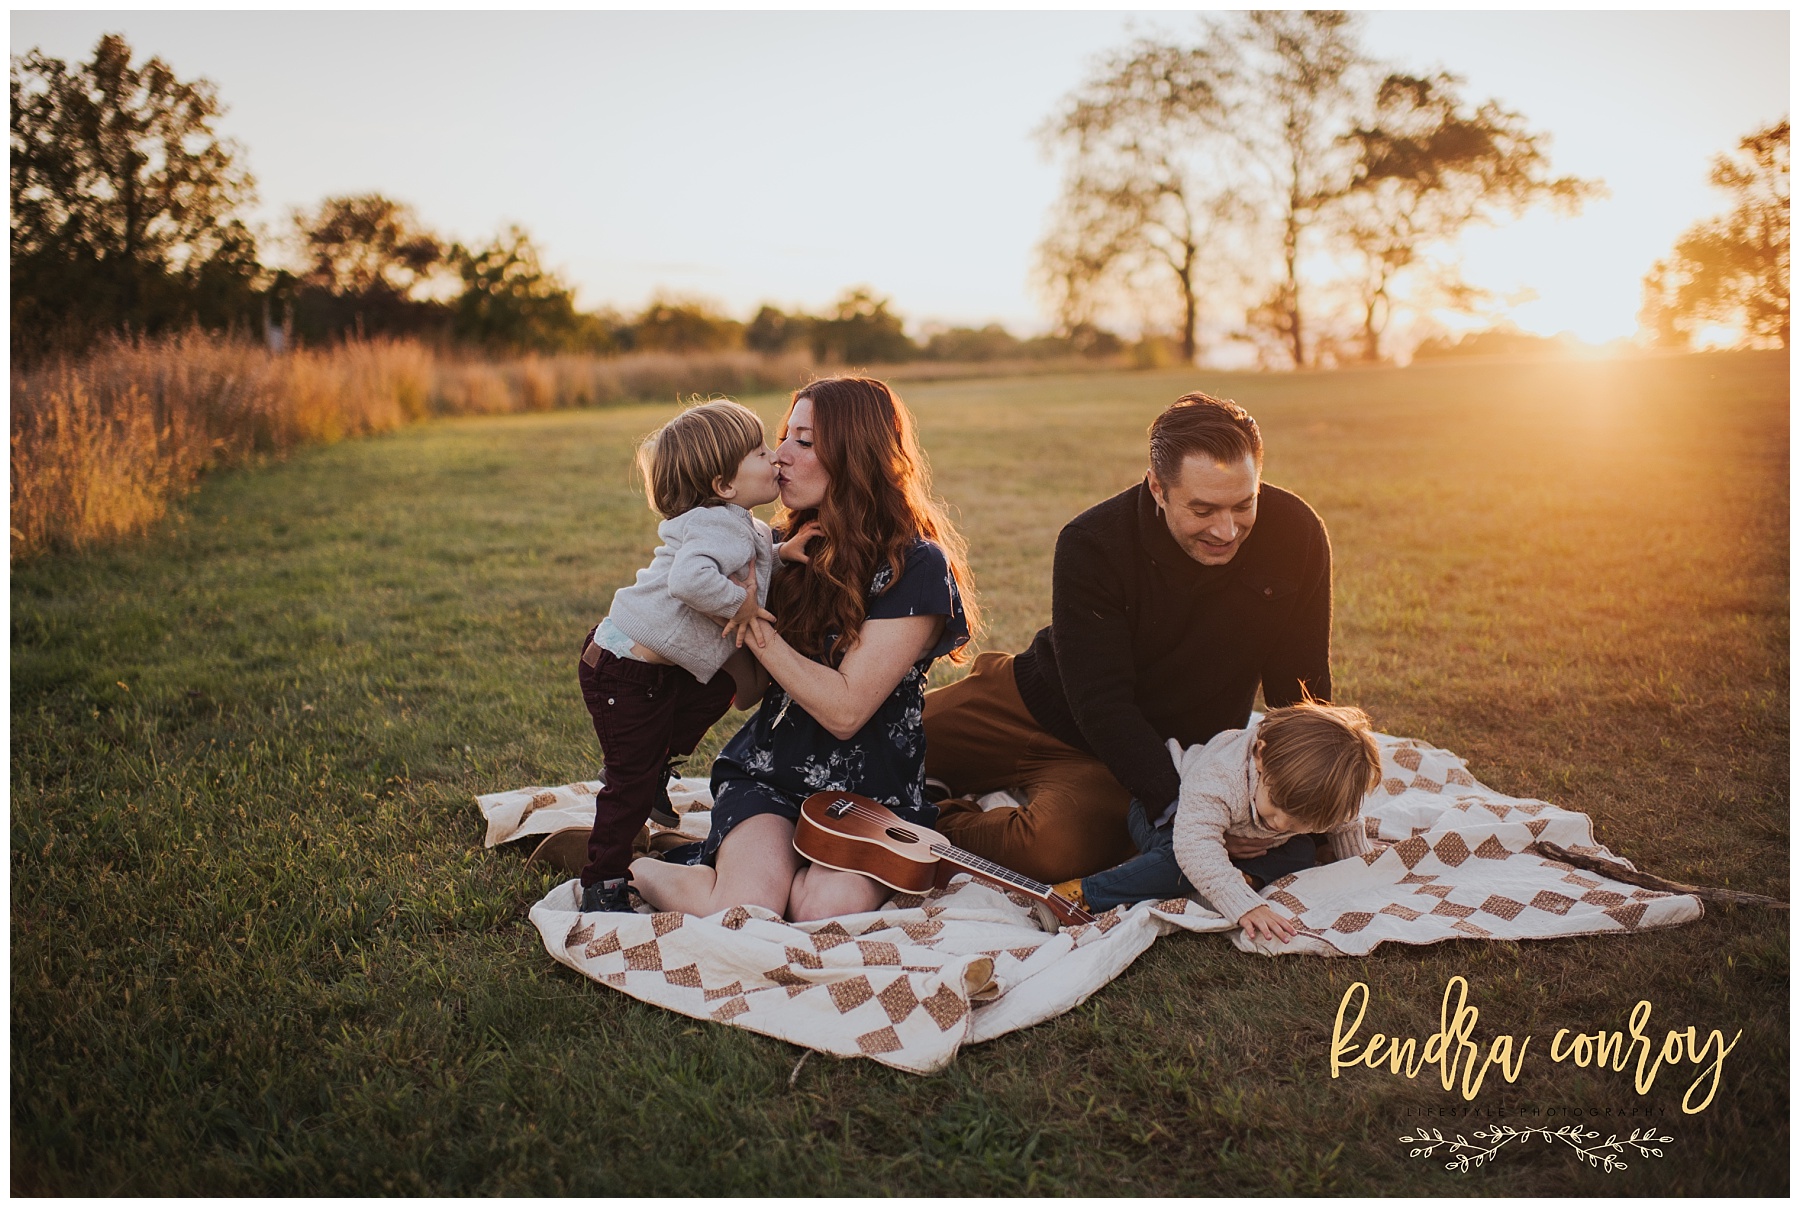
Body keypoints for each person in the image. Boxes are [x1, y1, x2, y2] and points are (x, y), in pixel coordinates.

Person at [922, 391, 1333, 885]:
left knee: (1052, 849)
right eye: (1202, 510)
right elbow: (1099, 696)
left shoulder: (1297, 535)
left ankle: (925, 816)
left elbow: (1302, 685)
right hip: (1030, 699)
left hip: (1139, 755)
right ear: (1157, 487)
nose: (1227, 530)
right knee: (877, 740)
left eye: (1244, 504)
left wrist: (1297, 802)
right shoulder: (1093, 541)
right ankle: (929, 774)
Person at [628, 377, 978, 923]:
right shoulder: (779, 549)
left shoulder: (916, 566)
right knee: (747, 909)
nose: (781, 457)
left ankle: (691, 858)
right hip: (769, 771)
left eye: (805, 442)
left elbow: (845, 711)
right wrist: (713, 616)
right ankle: (636, 863)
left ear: (854, 455)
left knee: (820, 911)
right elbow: (750, 695)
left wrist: (752, 622)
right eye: (782, 438)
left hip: (870, 791)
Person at [576, 399, 820, 913]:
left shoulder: (737, 522)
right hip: (621, 670)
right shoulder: (718, 524)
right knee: (630, 783)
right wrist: (744, 607)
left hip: (654, 667)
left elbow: (746, 556)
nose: (775, 457)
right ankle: (603, 881)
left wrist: (782, 552)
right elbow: (692, 579)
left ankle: (659, 764)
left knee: (718, 687)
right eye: (759, 452)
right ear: (723, 486)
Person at [1065, 700, 1380, 939]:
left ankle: (1236, 879)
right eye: (1278, 805)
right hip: (1167, 817)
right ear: (1260, 755)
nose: (1281, 825)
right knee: (1181, 862)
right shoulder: (1221, 777)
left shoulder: (1331, 794)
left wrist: (1359, 864)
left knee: (1301, 851)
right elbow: (1193, 844)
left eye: (1301, 822)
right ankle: (1087, 893)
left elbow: (1346, 820)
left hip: (1231, 838)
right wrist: (1246, 905)